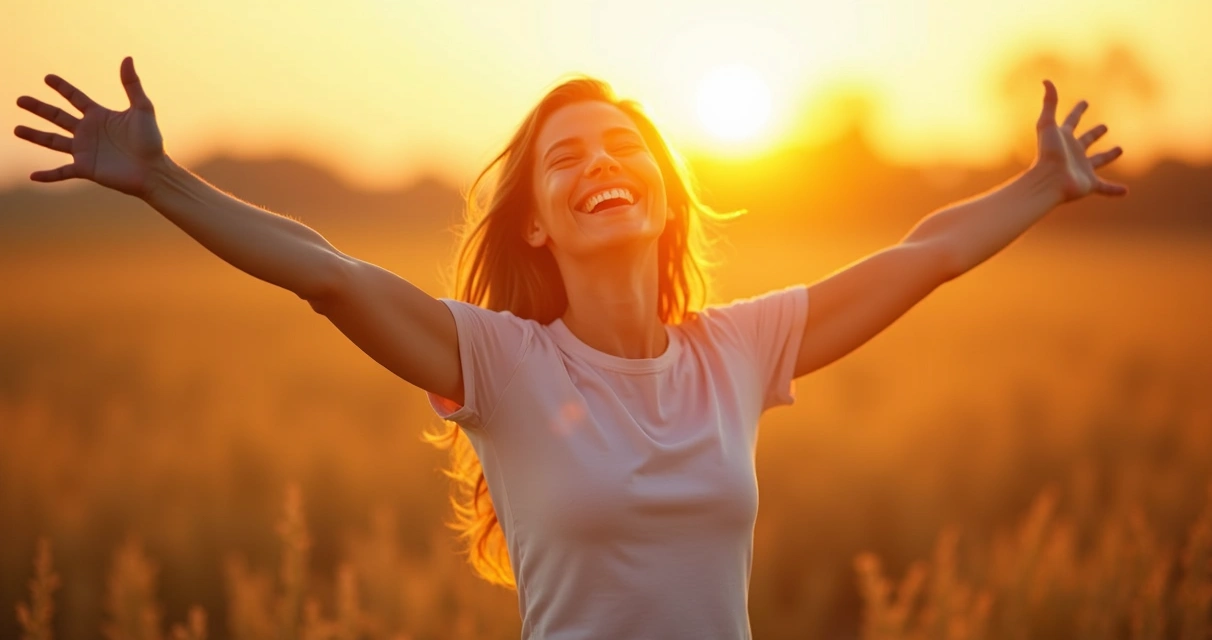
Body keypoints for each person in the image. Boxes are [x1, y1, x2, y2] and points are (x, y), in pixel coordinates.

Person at [13, 56, 1127, 639]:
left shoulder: (738, 350)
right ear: (537, 218)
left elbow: (921, 253)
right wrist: (161, 181)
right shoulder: (499, 365)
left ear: (663, 194)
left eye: (623, 144)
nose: (600, 159)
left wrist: (1039, 184)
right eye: (565, 156)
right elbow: (327, 273)